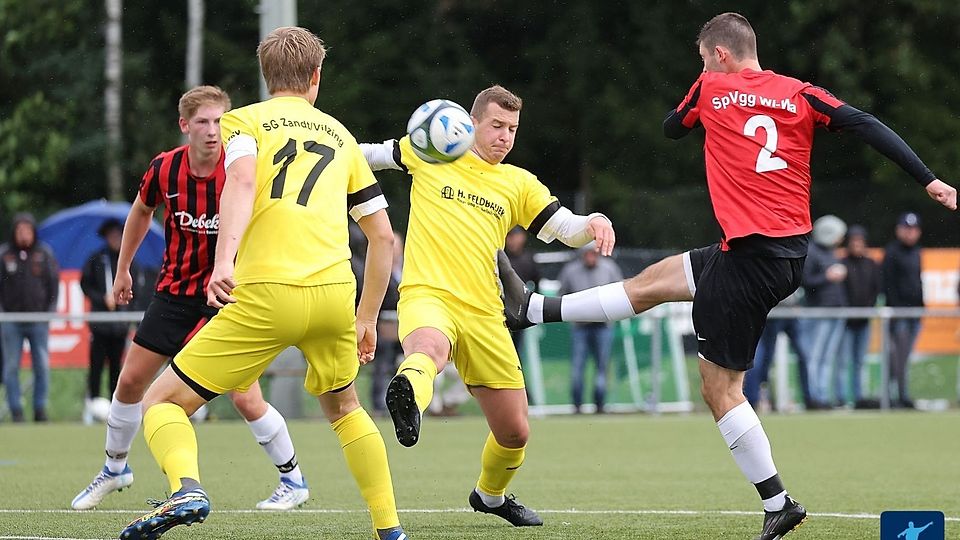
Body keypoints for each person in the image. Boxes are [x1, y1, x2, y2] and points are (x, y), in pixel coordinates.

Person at [497, 12, 957, 539]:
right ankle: (533, 310)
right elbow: (867, 124)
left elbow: (672, 128)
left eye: (702, 58)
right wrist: (930, 180)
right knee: (657, 281)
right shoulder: (800, 93)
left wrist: (701, 92)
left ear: (717, 55)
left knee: (721, 391)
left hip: (750, 261)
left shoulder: (711, 86)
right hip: (776, 254)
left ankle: (779, 502)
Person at [119, 27, 406, 540]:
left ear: (265, 76)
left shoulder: (243, 121)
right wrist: (366, 320)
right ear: (317, 77)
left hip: (267, 293)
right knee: (345, 408)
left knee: (161, 404)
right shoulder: (340, 135)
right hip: (333, 296)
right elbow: (383, 238)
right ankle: (389, 529)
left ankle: (186, 488)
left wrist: (223, 261)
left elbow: (245, 181)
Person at [360, 84, 616, 527]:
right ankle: (409, 403)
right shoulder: (434, 151)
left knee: (515, 431)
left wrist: (594, 221)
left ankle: (490, 496)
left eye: (512, 128)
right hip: (429, 293)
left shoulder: (517, 183)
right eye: (496, 125)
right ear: (472, 122)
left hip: (485, 314)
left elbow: (565, 227)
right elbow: (368, 155)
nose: (505, 136)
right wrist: (324, 149)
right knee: (427, 350)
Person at [72, 86, 308, 513]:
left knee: (243, 394)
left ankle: (293, 479)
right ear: (185, 126)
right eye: (203, 121)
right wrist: (123, 269)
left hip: (224, 297)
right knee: (128, 382)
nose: (213, 131)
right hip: (175, 294)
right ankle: (114, 468)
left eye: (220, 121)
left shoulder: (242, 169)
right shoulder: (165, 169)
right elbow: (141, 212)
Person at [0, 212, 59, 423]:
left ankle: (40, 409)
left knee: (41, 365)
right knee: (11, 367)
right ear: (14, 232)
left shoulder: (44, 254)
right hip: (11, 321)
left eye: (27, 230)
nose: (24, 234)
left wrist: (49, 312)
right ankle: (16, 410)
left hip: (38, 321)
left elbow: (53, 285)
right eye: (20, 230)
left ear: (33, 232)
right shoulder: (4, 254)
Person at [558, 244, 623, 413]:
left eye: (593, 253)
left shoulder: (609, 269)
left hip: (603, 326)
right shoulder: (570, 271)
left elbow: (620, 293)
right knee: (577, 367)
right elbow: (562, 295)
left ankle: (600, 404)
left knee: (602, 367)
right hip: (580, 327)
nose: (590, 257)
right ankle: (577, 405)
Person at [80, 218, 137, 403]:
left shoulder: (128, 260)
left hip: (120, 323)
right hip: (100, 322)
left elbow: (135, 287)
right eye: (112, 235)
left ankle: (115, 401)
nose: (115, 239)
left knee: (116, 365)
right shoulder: (97, 259)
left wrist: (122, 301)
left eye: (118, 235)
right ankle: (94, 400)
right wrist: (102, 299)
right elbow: (85, 285)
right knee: (96, 364)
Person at [802, 215, 848, 408]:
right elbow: (806, 282)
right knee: (815, 356)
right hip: (818, 311)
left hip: (836, 310)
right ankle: (815, 396)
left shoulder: (831, 252)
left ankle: (823, 395)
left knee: (828, 357)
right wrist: (827, 277)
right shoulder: (812, 252)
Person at [743, 290, 813, 411]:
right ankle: (755, 398)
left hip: (787, 312)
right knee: (762, 359)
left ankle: (809, 398)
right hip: (770, 314)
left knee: (767, 359)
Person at [882, 212, 925, 409]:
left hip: (915, 313)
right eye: (906, 229)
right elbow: (888, 284)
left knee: (905, 357)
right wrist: (897, 309)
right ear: (899, 230)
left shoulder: (917, 252)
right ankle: (896, 396)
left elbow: (917, 282)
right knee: (897, 357)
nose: (910, 233)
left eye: (913, 229)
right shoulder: (892, 252)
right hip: (899, 313)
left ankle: (900, 394)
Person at [841, 225, 880, 407]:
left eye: (860, 241)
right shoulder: (842, 264)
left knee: (859, 362)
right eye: (854, 241)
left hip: (864, 320)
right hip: (846, 322)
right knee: (843, 361)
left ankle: (859, 397)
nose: (857, 244)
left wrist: (867, 309)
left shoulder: (871, 264)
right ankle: (841, 398)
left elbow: (875, 290)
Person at [504, 227, 540, 359]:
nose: (513, 241)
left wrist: (534, 309)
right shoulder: (501, 257)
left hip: (520, 312)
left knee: (516, 352)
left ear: (523, 237)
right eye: (510, 237)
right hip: (499, 310)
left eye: (515, 236)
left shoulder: (529, 258)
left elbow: (537, 282)